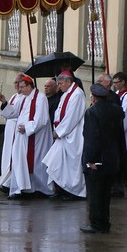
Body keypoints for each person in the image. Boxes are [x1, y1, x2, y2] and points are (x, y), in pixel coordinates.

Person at [81, 83, 126, 233]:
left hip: (98, 159)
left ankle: (96, 223)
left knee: (95, 194)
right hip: (112, 158)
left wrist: (91, 160)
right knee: (106, 194)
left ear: (93, 97)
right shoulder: (117, 111)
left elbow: (92, 138)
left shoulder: (92, 112)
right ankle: (105, 222)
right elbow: (120, 136)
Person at [0, 74, 53, 197]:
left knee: (35, 164)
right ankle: (21, 187)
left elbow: (42, 119)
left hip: (35, 138)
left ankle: (37, 188)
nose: (20, 89)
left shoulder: (41, 98)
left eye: (22, 87)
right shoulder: (24, 97)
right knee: (20, 161)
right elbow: (14, 112)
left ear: (29, 86)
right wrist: (4, 102)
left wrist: (27, 127)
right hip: (22, 136)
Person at [42, 71, 87, 199]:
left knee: (71, 166)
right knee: (56, 162)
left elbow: (72, 117)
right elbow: (59, 113)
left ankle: (75, 191)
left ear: (68, 81)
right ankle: (61, 189)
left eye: (60, 83)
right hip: (64, 135)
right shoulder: (66, 94)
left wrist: (59, 131)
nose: (59, 86)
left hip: (73, 135)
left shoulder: (77, 94)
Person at [0, 76, 26, 192]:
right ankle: (5, 180)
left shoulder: (25, 98)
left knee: (14, 157)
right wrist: (4, 102)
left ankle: (10, 182)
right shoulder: (14, 96)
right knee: (7, 154)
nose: (17, 85)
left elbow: (14, 112)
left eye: (19, 83)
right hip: (9, 129)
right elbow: (7, 112)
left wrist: (5, 103)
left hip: (16, 129)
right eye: (15, 83)